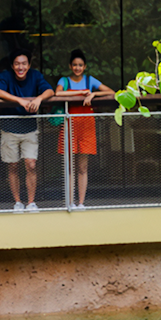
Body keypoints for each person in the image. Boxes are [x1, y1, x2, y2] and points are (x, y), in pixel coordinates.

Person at [0, 48, 54, 212]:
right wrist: (20, 101)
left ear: (29, 64)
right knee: (13, 165)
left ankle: (31, 202)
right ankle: (18, 202)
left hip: (30, 128)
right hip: (9, 128)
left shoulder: (35, 75)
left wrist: (39, 98)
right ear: (12, 66)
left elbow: (50, 90)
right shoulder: (5, 76)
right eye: (17, 64)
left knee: (31, 164)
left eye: (24, 63)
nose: (21, 67)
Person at [56, 49, 114, 210]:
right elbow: (57, 93)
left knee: (82, 167)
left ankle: (81, 202)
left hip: (87, 124)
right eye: (74, 65)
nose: (77, 68)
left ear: (85, 66)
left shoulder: (90, 80)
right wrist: (81, 93)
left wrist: (94, 94)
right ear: (70, 66)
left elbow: (111, 92)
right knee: (69, 166)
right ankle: (70, 202)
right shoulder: (65, 81)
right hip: (70, 123)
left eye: (80, 65)